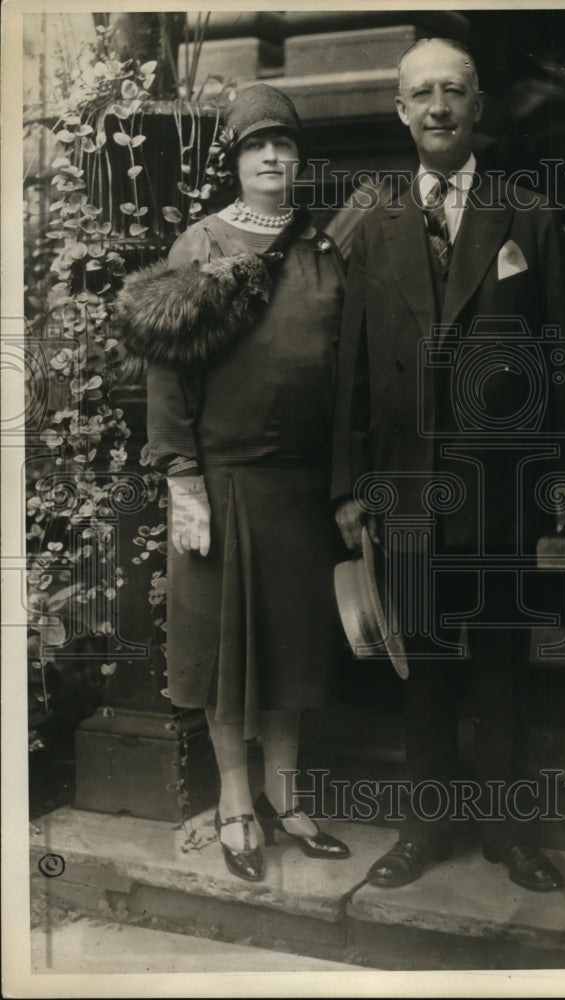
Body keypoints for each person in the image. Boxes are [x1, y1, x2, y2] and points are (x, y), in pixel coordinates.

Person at [332, 38, 565, 891]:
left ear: (478, 107)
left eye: (454, 91)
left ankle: (510, 833)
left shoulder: (529, 216)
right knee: (425, 667)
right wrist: (348, 487)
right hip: (406, 483)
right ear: (400, 112)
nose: (438, 107)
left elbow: (561, 355)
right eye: (422, 94)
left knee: (502, 663)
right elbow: (354, 368)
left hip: (501, 482)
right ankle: (422, 829)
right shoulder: (371, 227)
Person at [116, 84, 349, 881]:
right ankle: (237, 804)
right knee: (225, 653)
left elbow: (346, 365)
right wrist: (182, 473)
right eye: (257, 147)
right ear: (237, 159)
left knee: (290, 648)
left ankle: (287, 797)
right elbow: (168, 371)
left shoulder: (323, 248)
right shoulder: (201, 247)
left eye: (283, 145)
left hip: (300, 485)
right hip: (223, 481)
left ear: (298, 157)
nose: (273, 158)